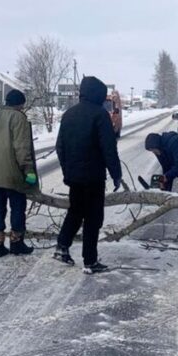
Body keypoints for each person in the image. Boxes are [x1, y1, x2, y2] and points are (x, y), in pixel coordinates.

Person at [54, 75, 123, 274]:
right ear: (97, 95)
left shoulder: (69, 114)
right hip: (93, 177)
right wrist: (116, 174)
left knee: (75, 211)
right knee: (93, 218)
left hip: (75, 176)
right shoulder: (100, 115)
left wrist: (68, 171)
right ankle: (90, 261)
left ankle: (62, 246)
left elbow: (60, 147)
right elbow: (108, 148)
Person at [0, 88, 38, 257]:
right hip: (12, 173)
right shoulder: (18, 117)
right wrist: (28, 170)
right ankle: (16, 243)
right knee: (18, 207)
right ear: (20, 104)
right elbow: (21, 147)